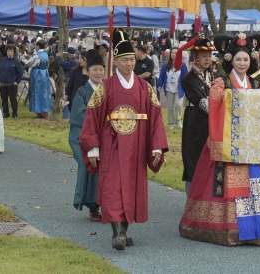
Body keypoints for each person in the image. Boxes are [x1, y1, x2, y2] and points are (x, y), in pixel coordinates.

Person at [179, 32, 260, 246]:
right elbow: (214, 100)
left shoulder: (258, 84)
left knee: (257, 184)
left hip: (256, 146)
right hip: (231, 144)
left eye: (246, 59)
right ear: (231, 60)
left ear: (251, 61)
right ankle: (232, 228)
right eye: (238, 59)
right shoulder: (222, 84)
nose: (242, 63)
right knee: (230, 184)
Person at [79, 28, 168, 251]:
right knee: (112, 188)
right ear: (115, 62)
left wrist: (157, 145)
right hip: (112, 145)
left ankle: (124, 231)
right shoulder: (105, 87)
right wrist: (93, 147)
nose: (129, 64)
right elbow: (92, 117)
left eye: (131, 59)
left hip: (136, 147)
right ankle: (118, 233)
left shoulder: (145, 88)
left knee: (131, 187)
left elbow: (156, 117)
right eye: (124, 60)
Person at [69, 49, 104, 222]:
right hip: (84, 136)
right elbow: (78, 115)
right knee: (90, 166)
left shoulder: (108, 90)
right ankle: (93, 205)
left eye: (101, 69)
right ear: (87, 71)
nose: (98, 73)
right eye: (95, 69)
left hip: (105, 136)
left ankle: (109, 204)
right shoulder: (83, 92)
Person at [177, 36, 214, 195]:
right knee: (193, 158)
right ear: (195, 57)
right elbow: (203, 103)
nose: (207, 59)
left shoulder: (211, 76)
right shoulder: (189, 79)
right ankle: (191, 197)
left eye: (209, 56)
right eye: (203, 56)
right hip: (195, 122)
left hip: (210, 123)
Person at [157, 47, 187, 129]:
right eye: (172, 53)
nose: (174, 54)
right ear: (170, 54)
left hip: (179, 89)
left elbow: (186, 77)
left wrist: (187, 88)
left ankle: (178, 120)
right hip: (169, 89)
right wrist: (159, 85)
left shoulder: (182, 65)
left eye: (176, 53)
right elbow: (162, 76)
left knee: (178, 105)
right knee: (170, 107)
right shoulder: (166, 64)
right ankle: (171, 122)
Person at [22, 41, 52, 118]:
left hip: (38, 74)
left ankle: (39, 110)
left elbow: (30, 63)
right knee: (44, 91)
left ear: (38, 46)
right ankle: (44, 109)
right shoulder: (45, 54)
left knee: (37, 92)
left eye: (36, 45)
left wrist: (23, 60)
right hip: (44, 73)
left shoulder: (37, 56)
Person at [0, 44, 23, 119]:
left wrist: (17, 81)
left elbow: (20, 72)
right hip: (2, 83)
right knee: (4, 99)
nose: (10, 52)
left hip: (11, 83)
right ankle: (6, 113)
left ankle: (14, 113)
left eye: (11, 51)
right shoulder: (3, 60)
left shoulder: (16, 61)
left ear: (13, 52)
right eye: (8, 51)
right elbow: (0, 70)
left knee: (13, 100)